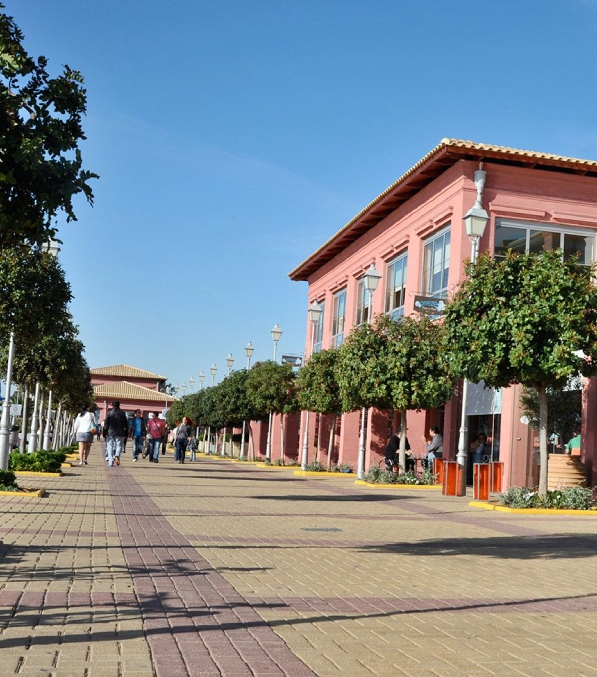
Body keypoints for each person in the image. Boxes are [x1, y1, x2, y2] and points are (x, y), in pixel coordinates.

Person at [102, 401, 129, 467]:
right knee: (119, 445)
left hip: (110, 432)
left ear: (112, 405)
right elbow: (126, 424)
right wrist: (126, 432)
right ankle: (117, 455)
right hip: (120, 432)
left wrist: (104, 432)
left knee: (110, 446)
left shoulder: (109, 413)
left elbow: (106, 424)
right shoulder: (122, 413)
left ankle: (110, 462)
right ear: (119, 405)